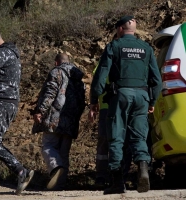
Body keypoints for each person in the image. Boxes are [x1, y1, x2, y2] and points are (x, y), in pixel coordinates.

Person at [90, 15, 162, 194]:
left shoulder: (114, 46)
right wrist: (152, 101)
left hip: (120, 96)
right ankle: (143, 169)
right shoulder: (146, 48)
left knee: (116, 137)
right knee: (139, 137)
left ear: (120, 29)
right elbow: (157, 81)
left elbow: (100, 76)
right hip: (142, 97)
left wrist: (93, 100)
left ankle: (117, 183)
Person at [0, 26, 34, 196]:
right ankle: (21, 171)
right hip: (5, 103)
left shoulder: (1, 53)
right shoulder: (10, 54)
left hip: (0, 103)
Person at [33, 53, 85, 191]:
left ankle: (56, 167)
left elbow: (50, 93)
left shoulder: (56, 72)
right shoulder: (78, 77)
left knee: (48, 146)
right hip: (71, 120)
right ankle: (59, 185)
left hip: (54, 117)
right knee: (64, 153)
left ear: (56, 63)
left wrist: (40, 111)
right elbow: (82, 102)